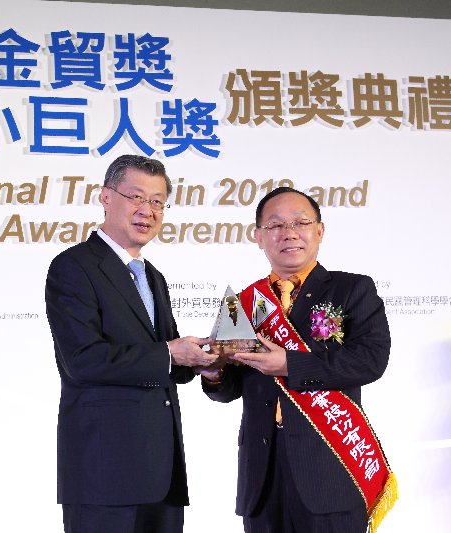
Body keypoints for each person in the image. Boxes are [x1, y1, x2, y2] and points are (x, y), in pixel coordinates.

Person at [201, 187, 396, 533]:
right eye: (275, 225)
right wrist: (213, 373)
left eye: (300, 223)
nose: (289, 233)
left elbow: (370, 360)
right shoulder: (244, 301)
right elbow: (229, 388)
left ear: (319, 231)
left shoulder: (352, 289)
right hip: (262, 473)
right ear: (258, 237)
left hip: (330, 468)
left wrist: (289, 364)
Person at [46, 155, 216, 533]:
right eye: (136, 197)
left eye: (157, 202)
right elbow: (83, 360)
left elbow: (167, 363)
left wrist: (202, 361)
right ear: (106, 197)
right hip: (104, 473)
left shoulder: (153, 276)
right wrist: (170, 353)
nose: (147, 211)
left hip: (163, 472)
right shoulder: (74, 266)